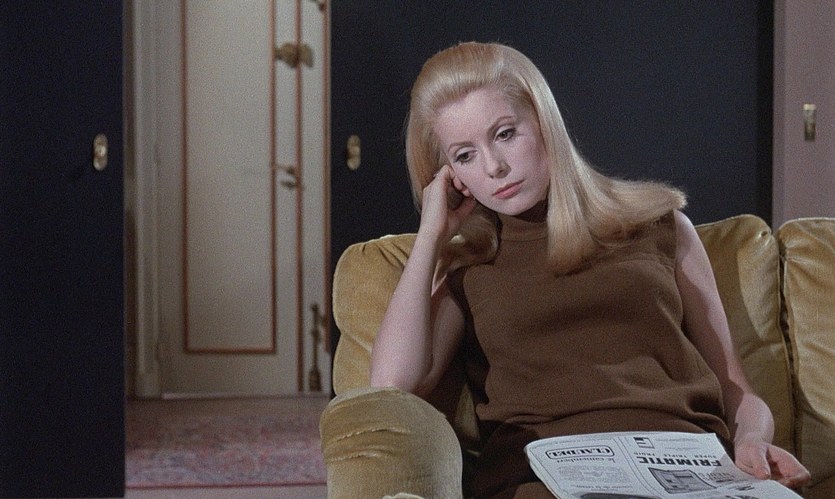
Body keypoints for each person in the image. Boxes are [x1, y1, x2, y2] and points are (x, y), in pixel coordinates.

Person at [369, 41, 810, 498]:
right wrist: (431, 235)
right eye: (465, 155)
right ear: (450, 175)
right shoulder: (468, 266)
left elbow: (738, 391)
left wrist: (752, 439)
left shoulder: (659, 225)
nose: (495, 167)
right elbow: (391, 384)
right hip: (543, 479)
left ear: (544, 122)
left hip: (684, 466)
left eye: (505, 134)